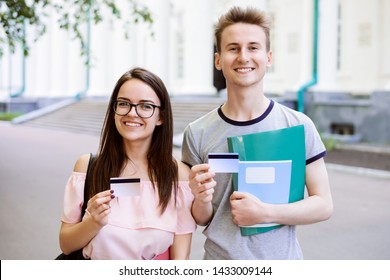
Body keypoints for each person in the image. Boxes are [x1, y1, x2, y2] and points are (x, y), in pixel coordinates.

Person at [181, 6, 333, 259]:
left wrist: (266, 213)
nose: (243, 57)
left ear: (268, 57)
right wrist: (201, 197)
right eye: (233, 48)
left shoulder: (298, 125)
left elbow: (323, 204)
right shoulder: (197, 133)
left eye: (253, 47)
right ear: (218, 60)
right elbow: (201, 217)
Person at [59, 67, 196, 260]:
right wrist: (93, 223)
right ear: (114, 110)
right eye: (124, 103)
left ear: (161, 117)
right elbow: (66, 245)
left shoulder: (178, 176)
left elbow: (180, 260)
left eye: (146, 106)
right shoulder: (87, 167)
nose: (132, 113)